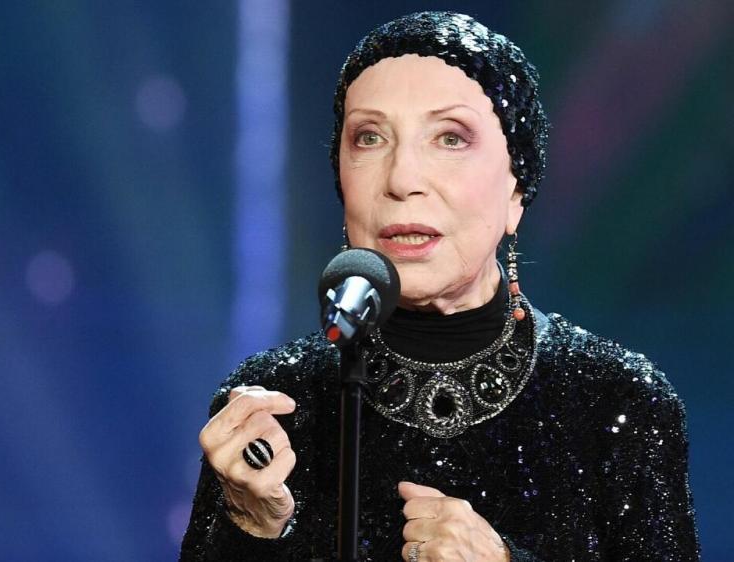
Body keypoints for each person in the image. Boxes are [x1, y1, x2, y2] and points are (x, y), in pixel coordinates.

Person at [180, 11, 699, 561]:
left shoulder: (618, 401)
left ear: (516, 189)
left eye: (450, 138)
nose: (402, 179)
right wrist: (256, 525)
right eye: (369, 137)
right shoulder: (273, 408)